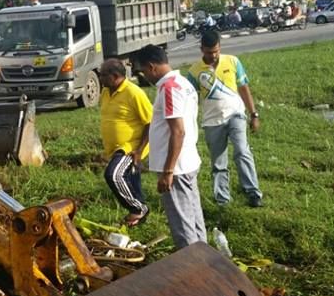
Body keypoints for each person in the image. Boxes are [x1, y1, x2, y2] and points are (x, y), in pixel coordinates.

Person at [131, 44, 207, 248]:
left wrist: (168, 171)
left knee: (183, 225)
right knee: (194, 217)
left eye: (143, 71)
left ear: (151, 66)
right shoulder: (182, 82)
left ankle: (191, 268)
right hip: (186, 162)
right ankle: (203, 260)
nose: (144, 75)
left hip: (177, 167)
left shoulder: (169, 88)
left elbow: (178, 131)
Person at [187, 30, 263, 208]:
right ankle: (223, 199)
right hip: (212, 122)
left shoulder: (233, 61)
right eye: (208, 52)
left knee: (242, 151)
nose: (212, 55)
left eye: (215, 51)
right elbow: (191, 99)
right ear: (201, 50)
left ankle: (253, 192)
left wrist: (254, 114)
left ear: (220, 48)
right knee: (219, 162)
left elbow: (244, 88)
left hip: (236, 114)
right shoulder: (194, 71)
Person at [97, 58, 153, 227]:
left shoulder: (134, 93)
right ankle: (139, 219)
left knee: (114, 175)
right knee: (131, 181)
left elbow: (150, 122)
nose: (99, 78)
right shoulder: (106, 92)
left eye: (102, 75)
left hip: (130, 147)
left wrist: (139, 150)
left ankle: (139, 209)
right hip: (115, 149)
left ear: (114, 76)